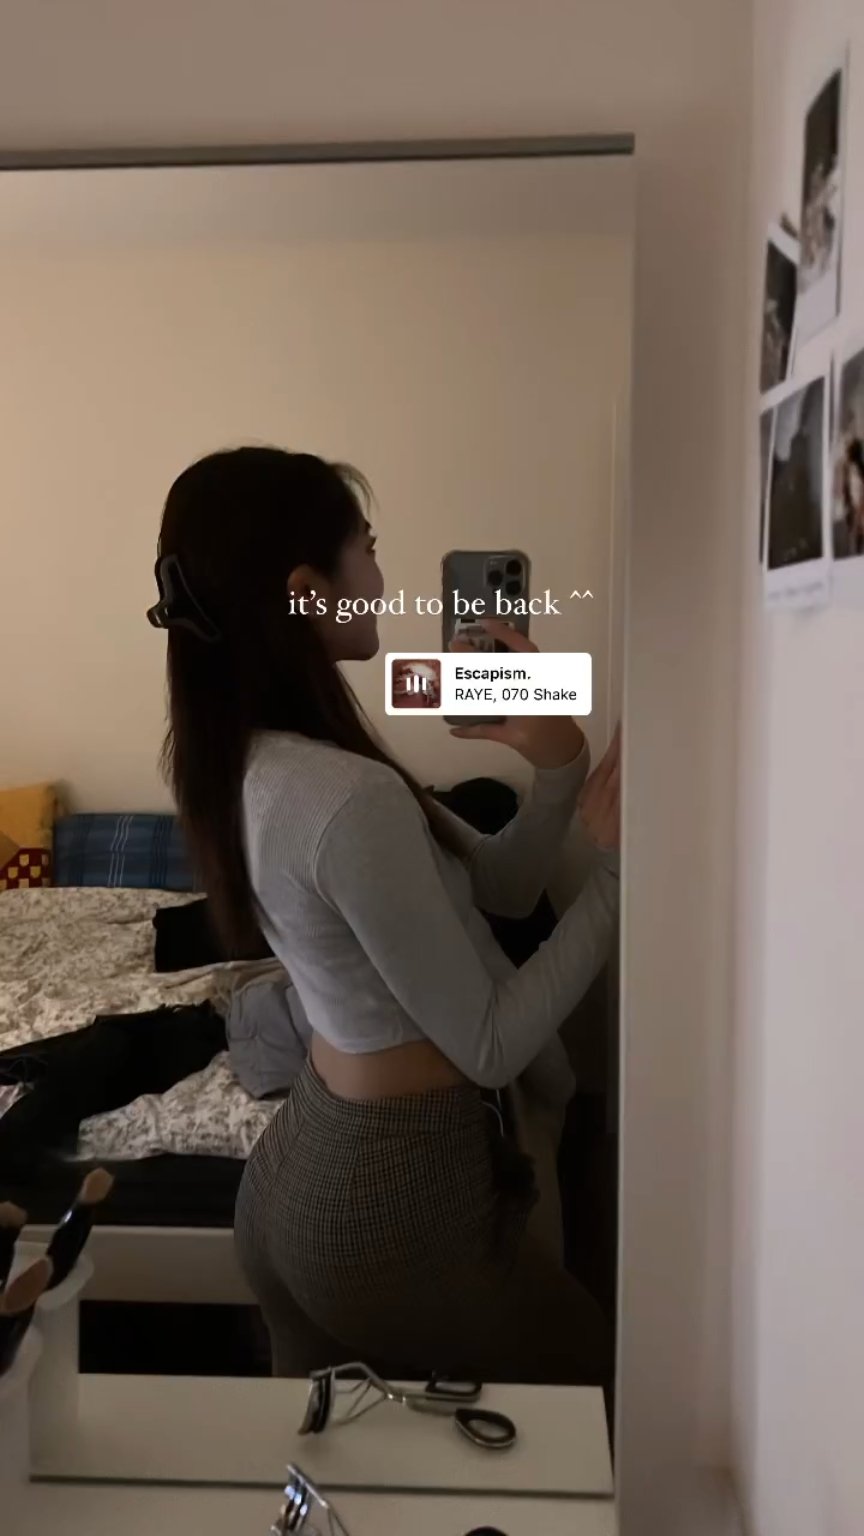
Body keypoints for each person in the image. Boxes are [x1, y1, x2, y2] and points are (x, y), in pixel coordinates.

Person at [148, 446, 620, 1387]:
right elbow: (491, 1044)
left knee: (342, 1458)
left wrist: (561, 770)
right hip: (388, 1190)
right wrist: (616, 874)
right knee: (590, 1386)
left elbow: (500, 888)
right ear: (306, 591)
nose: (380, 576)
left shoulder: (254, 759)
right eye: (367, 548)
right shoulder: (342, 794)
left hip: (308, 1161)